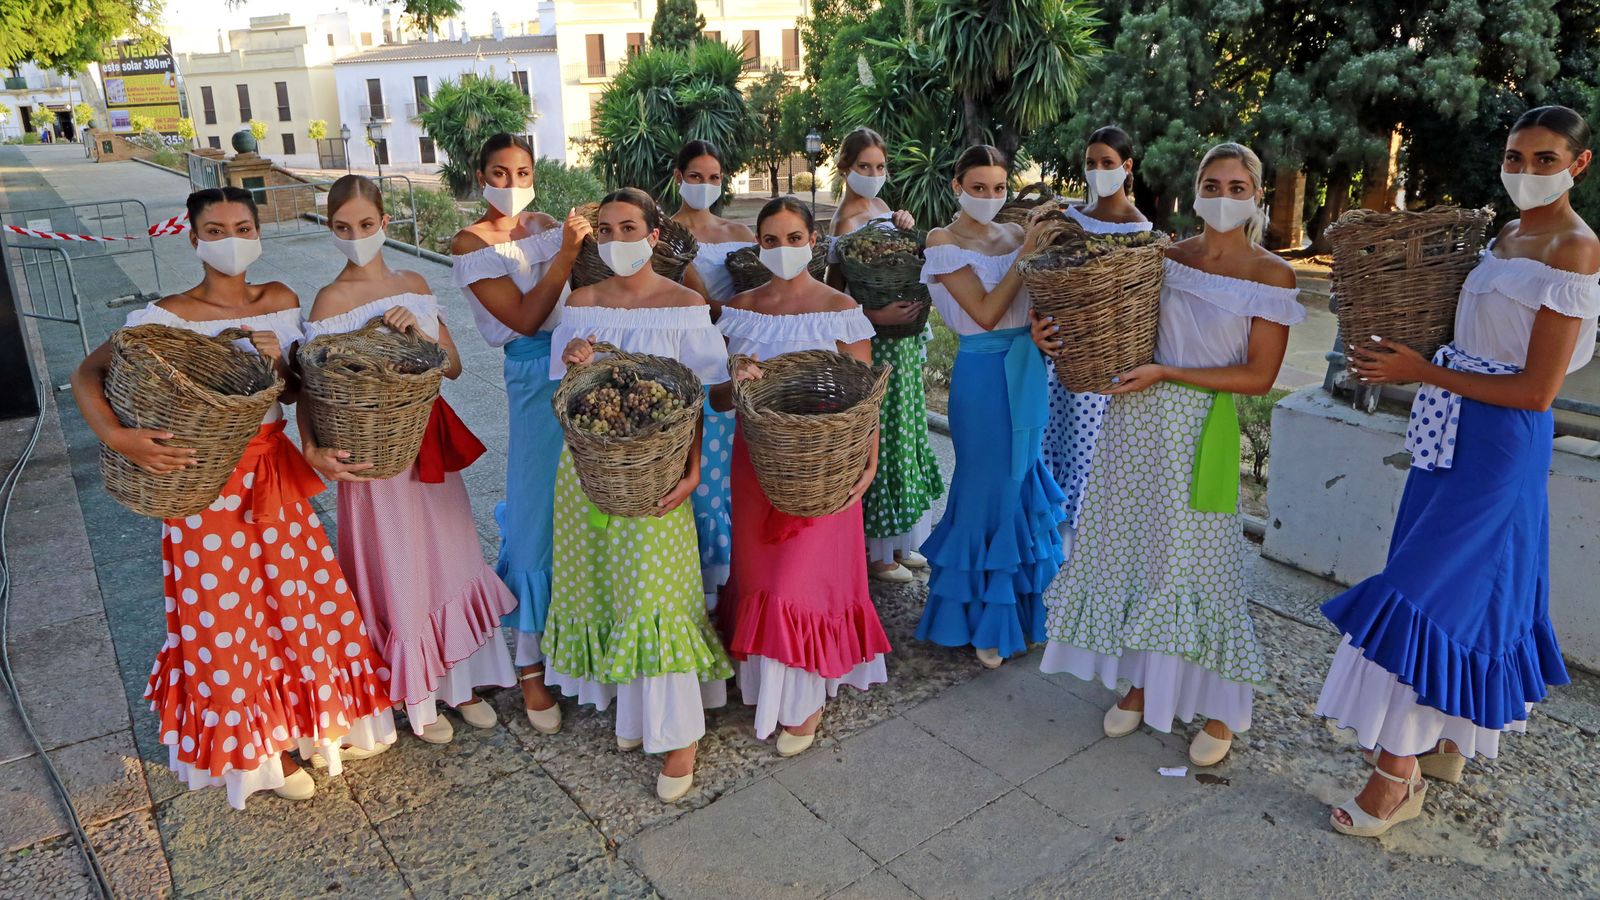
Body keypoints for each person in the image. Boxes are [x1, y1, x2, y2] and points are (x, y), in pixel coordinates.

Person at [1317, 106, 1598, 837]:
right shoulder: (1506, 235)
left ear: (1579, 164)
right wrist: (1409, 357)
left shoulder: (1574, 248)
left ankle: (1394, 775)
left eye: (1544, 159)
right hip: (1450, 429)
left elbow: (1538, 392)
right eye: (1514, 157)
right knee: (1468, 593)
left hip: (1501, 441)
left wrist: (1418, 371)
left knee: (1423, 596)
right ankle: (1446, 738)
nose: (1525, 172)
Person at [70, 187, 396, 808]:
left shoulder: (281, 302)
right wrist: (116, 434)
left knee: (299, 599)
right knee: (225, 614)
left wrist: (285, 378)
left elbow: (295, 393)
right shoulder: (165, 317)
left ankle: (309, 720)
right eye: (214, 230)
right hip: (203, 481)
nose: (231, 240)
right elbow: (88, 372)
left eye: (242, 226)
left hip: (274, 471)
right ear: (193, 241)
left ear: (259, 230)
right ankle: (257, 750)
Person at [1037, 143, 1303, 768]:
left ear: (1257, 196)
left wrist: (1168, 372)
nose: (1224, 196)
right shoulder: (1163, 255)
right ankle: (1141, 681)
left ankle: (1221, 706)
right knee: (1134, 552)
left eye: (1238, 187)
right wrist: (1046, 328)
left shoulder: (1272, 275)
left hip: (1199, 428)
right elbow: (1105, 314)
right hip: (1133, 422)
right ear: (1193, 189)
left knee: (1202, 564)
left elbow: (1259, 377)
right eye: (1213, 184)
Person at [303, 175, 517, 744]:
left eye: (367, 226)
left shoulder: (415, 282)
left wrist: (420, 331)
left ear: (384, 223)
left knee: (451, 553)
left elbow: (450, 365)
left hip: (424, 437)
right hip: (372, 453)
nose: (357, 237)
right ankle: (422, 698)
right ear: (331, 231)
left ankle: (463, 681)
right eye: (344, 229)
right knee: (398, 564)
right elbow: (316, 384)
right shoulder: (329, 301)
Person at [547, 188, 734, 803]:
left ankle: (680, 734)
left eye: (630, 228)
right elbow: (571, 402)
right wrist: (576, 362)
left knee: (657, 595)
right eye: (605, 230)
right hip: (587, 477)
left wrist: (692, 471)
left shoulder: (685, 305)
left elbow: (703, 396)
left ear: (655, 237)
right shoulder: (580, 303)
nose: (617, 239)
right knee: (610, 590)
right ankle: (636, 714)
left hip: (657, 477)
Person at [716, 197, 889, 757]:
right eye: (772, 240)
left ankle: (805, 696)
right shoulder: (737, 309)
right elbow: (718, 398)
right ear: (758, 246)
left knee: (802, 576)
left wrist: (870, 456)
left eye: (794, 238)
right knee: (763, 572)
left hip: (824, 460)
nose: (784, 250)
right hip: (757, 459)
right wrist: (736, 376)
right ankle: (766, 684)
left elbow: (865, 395)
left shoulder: (840, 309)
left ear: (813, 242)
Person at [450, 134, 590, 735]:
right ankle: (529, 662)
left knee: (586, 499)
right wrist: (564, 252)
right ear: (480, 175)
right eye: (500, 174)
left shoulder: (544, 222)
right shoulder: (469, 244)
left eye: (523, 172)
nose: (512, 185)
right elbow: (527, 317)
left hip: (584, 361)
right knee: (536, 507)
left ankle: (578, 638)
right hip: (533, 370)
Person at [915, 144, 1064, 669]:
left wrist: (1044, 330)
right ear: (957, 186)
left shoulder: (1018, 234)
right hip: (981, 375)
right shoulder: (943, 241)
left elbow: (1039, 299)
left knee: (1021, 482)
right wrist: (1026, 260)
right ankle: (979, 620)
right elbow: (982, 312)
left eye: (999, 188)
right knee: (987, 486)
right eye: (978, 187)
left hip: (1028, 368)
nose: (990, 197)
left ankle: (1019, 613)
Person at [827, 126, 942, 585]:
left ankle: (898, 541)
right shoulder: (844, 224)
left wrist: (905, 229)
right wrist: (876, 311)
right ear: (845, 170)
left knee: (908, 433)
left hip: (906, 340)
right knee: (885, 438)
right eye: (864, 167)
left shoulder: (880, 210)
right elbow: (834, 292)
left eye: (879, 167)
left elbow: (898, 261)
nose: (874, 175)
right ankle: (876, 551)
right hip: (875, 340)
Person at [1037, 126, 1153, 548]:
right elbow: (1046, 281)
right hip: (1061, 356)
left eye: (1107, 163)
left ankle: (1077, 552)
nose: (1098, 170)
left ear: (1127, 167)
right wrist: (1038, 324)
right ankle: (1049, 544)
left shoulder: (1140, 229)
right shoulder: (1070, 220)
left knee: (1087, 453)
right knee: (1051, 442)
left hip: (1107, 361)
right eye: (1091, 163)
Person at [670, 139, 753, 610]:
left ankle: (728, 586)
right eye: (696, 176)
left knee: (726, 477)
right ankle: (696, 584)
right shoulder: (661, 234)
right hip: (689, 360)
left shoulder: (739, 230)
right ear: (679, 178)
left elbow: (762, 289)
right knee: (695, 478)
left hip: (736, 363)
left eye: (714, 177)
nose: (705, 185)